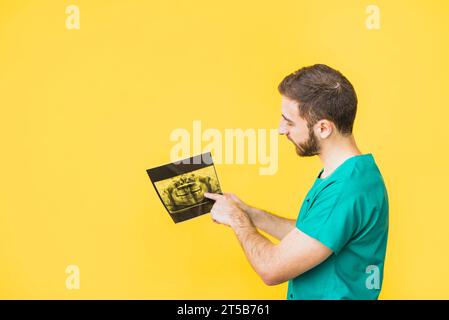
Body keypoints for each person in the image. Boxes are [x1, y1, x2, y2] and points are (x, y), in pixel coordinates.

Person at [204, 64, 389, 300]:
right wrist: (249, 213)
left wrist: (236, 220)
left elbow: (271, 269)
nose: (281, 130)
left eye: (289, 121)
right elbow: (312, 235)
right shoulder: (351, 174)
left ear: (323, 128)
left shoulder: (345, 190)